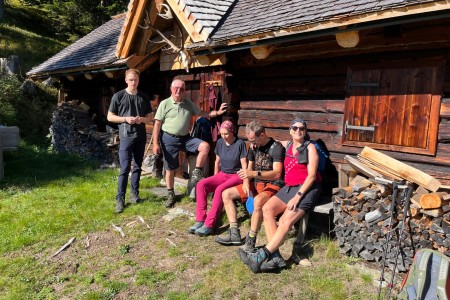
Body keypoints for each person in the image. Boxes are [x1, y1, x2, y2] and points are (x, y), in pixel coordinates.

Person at [238, 118, 322, 272]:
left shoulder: (310, 148)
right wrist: (254, 141)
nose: (298, 131)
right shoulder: (288, 144)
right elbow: (270, 141)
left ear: (305, 131)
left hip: (307, 189)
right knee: (267, 209)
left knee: (285, 221)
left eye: (301, 128)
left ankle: (261, 256)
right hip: (289, 187)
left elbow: (311, 176)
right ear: (290, 130)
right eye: (295, 128)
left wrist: (298, 197)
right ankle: (275, 257)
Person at [152, 78, 228, 208]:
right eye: (176, 88)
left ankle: (197, 173)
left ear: (185, 91)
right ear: (171, 89)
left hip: (185, 138)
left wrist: (218, 113)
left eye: (181, 89)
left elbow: (203, 113)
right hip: (168, 138)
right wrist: (155, 143)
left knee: (205, 146)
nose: (178, 91)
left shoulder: (188, 103)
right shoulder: (165, 104)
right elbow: (157, 124)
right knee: (170, 168)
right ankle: (171, 194)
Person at [215, 120, 284, 247]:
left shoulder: (276, 148)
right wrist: (246, 182)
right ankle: (234, 233)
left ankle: (251, 240)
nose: (251, 143)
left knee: (257, 201)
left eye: (253, 140)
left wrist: (253, 174)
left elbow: (277, 173)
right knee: (226, 194)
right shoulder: (254, 147)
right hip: (256, 183)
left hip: (272, 184)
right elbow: (249, 168)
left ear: (262, 135)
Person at [188, 120, 248, 236]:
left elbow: (244, 164)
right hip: (223, 174)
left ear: (232, 132)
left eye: (226, 134)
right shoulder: (220, 142)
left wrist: (246, 181)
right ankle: (200, 220)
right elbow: (217, 162)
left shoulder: (239, 143)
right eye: (222, 134)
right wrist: (215, 177)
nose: (224, 136)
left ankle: (209, 224)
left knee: (220, 189)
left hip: (237, 175)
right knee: (201, 184)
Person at [107, 68, 153, 213]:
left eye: (136, 80)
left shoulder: (144, 97)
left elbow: (150, 117)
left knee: (138, 166)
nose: (133, 82)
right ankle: (120, 199)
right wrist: (125, 119)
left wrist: (141, 119)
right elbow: (110, 117)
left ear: (139, 80)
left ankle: (134, 194)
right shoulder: (118, 96)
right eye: (131, 80)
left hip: (140, 136)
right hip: (126, 136)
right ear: (126, 80)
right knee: (125, 168)